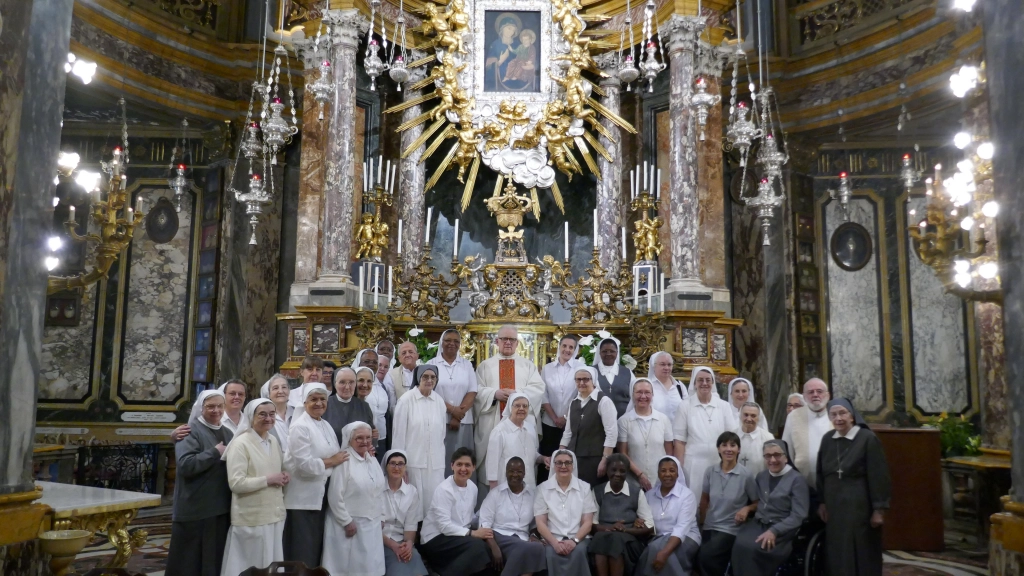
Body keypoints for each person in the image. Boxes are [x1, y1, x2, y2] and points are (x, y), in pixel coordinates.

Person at [817, 398, 892, 576]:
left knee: (861, 548)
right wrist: (822, 502)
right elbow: (820, 472)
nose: (838, 418)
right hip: (834, 505)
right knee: (838, 549)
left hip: (859, 505)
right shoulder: (828, 439)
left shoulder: (867, 438)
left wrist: (879, 509)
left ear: (852, 416)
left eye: (843, 413)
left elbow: (879, 474)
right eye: (833, 414)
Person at [474, 325, 546, 498]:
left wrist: (518, 396)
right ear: (497, 341)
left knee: (524, 465)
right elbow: (476, 391)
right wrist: (494, 394)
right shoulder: (485, 366)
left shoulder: (528, 366)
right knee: (492, 465)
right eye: (504, 339)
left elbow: (538, 389)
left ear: (517, 342)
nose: (507, 343)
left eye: (512, 340)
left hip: (522, 425)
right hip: (493, 422)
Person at [166, 390, 233, 576]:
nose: (216, 410)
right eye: (210, 406)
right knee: (189, 563)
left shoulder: (227, 432)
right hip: (195, 509)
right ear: (201, 408)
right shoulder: (189, 430)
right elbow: (186, 465)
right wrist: (214, 452)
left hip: (219, 507)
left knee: (213, 561)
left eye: (220, 406)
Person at [220, 399, 289, 576]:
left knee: (271, 566)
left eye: (272, 414)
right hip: (251, 518)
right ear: (251, 417)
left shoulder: (273, 440)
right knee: (249, 566)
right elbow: (236, 483)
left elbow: (274, 470)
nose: (268, 418)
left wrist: (283, 475)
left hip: (273, 515)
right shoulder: (240, 444)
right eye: (262, 414)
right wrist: (268, 479)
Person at [282, 384, 346, 568]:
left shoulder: (324, 424)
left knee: (316, 548)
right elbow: (304, 466)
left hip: (321, 494)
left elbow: (337, 454)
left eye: (322, 399)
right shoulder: (300, 427)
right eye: (314, 399)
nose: (319, 403)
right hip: (303, 498)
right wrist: (332, 461)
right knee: (301, 550)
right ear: (304, 402)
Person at [730, 439, 809, 576]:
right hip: (758, 524)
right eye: (768, 456)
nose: (772, 459)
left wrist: (774, 531)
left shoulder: (797, 480)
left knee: (754, 548)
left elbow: (799, 515)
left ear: (786, 457)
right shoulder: (761, 476)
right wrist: (747, 508)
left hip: (782, 530)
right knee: (739, 543)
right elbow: (758, 502)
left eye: (777, 455)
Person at [322, 421, 388, 576]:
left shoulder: (371, 459)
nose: (364, 441)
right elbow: (334, 496)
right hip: (349, 526)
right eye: (359, 438)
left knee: (369, 567)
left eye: (368, 437)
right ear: (349, 439)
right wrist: (346, 521)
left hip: (372, 524)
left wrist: (382, 516)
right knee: (348, 568)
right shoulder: (344, 461)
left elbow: (379, 490)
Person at [418, 448, 494, 576]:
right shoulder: (444, 489)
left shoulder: (473, 488)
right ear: (452, 466)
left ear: (474, 467)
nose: (463, 469)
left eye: (467, 465)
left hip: (457, 535)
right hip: (435, 538)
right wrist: (473, 533)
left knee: (484, 546)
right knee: (478, 547)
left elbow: (467, 518)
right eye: (459, 464)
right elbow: (444, 526)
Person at [696, 431, 759, 576]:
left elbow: (758, 502)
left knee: (706, 557)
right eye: (724, 445)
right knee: (698, 555)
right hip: (709, 526)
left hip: (731, 529)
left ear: (739, 449)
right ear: (718, 449)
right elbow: (704, 499)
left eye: (733, 445)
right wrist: (701, 523)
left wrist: (747, 508)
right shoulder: (710, 471)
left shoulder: (746, 475)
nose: (728, 449)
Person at [392, 365, 448, 518]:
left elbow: (442, 434)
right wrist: (400, 466)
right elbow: (398, 436)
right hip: (413, 463)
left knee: (434, 504)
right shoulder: (406, 400)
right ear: (418, 378)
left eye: (433, 377)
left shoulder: (439, 402)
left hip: (435, 463)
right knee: (413, 506)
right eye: (425, 377)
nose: (429, 380)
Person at [479, 456, 547, 576]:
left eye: (519, 471)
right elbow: (484, 523)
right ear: (506, 472)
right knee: (531, 549)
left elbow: (535, 523)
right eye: (511, 471)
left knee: (536, 548)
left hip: (522, 538)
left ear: (524, 473)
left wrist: (533, 535)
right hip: (499, 536)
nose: (515, 475)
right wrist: (494, 547)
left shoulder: (533, 495)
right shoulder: (496, 494)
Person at [673, 366, 738, 491]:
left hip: (719, 461)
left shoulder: (724, 406)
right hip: (693, 464)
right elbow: (680, 441)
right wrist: (679, 468)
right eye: (700, 380)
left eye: (708, 380)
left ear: (713, 383)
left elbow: (731, 436)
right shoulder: (685, 406)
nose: (704, 383)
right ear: (694, 383)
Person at [534, 449, 597, 576]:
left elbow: (588, 523)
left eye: (567, 463)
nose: (563, 466)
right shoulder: (542, 489)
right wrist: (555, 543)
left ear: (573, 465)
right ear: (553, 465)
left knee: (579, 552)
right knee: (551, 553)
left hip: (579, 538)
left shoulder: (584, 488)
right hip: (552, 539)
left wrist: (574, 541)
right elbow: (540, 523)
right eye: (559, 463)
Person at [591, 454, 654, 576]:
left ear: (627, 473)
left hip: (630, 541)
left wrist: (625, 530)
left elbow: (650, 525)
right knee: (601, 537)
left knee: (615, 539)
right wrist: (610, 528)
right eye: (613, 470)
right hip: (604, 537)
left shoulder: (636, 492)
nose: (618, 474)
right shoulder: (597, 491)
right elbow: (593, 523)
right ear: (607, 471)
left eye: (622, 471)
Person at [636, 456, 701, 576]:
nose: (667, 474)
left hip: (687, 537)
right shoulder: (649, 495)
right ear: (658, 473)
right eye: (663, 470)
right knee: (656, 547)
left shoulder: (687, 495)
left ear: (678, 474)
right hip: (658, 538)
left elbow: (682, 528)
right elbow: (645, 520)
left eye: (672, 470)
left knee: (656, 550)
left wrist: (665, 552)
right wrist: (639, 522)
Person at [429, 329, 479, 470]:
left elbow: (472, 391)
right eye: (448, 340)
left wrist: (457, 416)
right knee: (442, 460)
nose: (452, 344)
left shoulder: (467, 365)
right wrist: (452, 411)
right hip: (439, 419)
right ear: (441, 343)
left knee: (463, 459)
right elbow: (430, 392)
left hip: (464, 420)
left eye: (456, 341)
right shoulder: (432, 364)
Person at [560, 366, 618, 485]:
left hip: (594, 460)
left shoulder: (604, 401)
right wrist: (560, 455)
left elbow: (611, 433)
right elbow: (568, 432)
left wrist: (605, 459)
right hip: (574, 458)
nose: (581, 383)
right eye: (578, 379)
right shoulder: (574, 402)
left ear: (593, 380)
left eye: (586, 379)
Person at [617, 378, 674, 490]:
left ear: (653, 394)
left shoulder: (663, 419)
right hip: (634, 480)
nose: (643, 396)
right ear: (632, 394)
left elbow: (669, 452)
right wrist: (640, 475)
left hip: (660, 479)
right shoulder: (624, 421)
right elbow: (623, 453)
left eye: (647, 392)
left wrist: (665, 474)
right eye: (639, 392)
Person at [380, 450, 429, 576]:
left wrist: (408, 544)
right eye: (393, 463)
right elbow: (373, 525)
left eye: (401, 464)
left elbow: (411, 525)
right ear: (386, 466)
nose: (397, 467)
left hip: (401, 542)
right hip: (380, 541)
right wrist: (393, 546)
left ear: (405, 467)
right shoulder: (377, 488)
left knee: (417, 569)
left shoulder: (412, 492)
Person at [540, 336, 581, 483]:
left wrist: (565, 417)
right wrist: (555, 418)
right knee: (549, 460)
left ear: (575, 350)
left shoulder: (580, 369)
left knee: (568, 461)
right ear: (559, 346)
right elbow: (543, 395)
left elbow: (579, 396)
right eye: (564, 346)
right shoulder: (547, 369)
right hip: (549, 423)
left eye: (571, 347)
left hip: (571, 424)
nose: (567, 350)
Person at [486, 392, 546, 489]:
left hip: (528, 485)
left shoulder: (530, 428)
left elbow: (531, 455)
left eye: (525, 406)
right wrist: (494, 491)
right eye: (517, 405)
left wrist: (543, 459)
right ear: (510, 407)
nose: (521, 409)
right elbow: (492, 464)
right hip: (506, 487)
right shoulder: (499, 431)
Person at [782, 378, 833, 488]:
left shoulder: (836, 414)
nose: (815, 395)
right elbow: (787, 448)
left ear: (828, 395)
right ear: (804, 397)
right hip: (802, 481)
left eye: (819, 391)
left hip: (832, 481)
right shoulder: (794, 416)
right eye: (810, 392)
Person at [323, 366, 377, 445]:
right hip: (332, 454)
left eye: (351, 382)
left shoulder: (364, 406)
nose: (347, 387)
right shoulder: (324, 405)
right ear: (335, 384)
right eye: (342, 382)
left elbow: (371, 435)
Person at [642, 352, 688, 427]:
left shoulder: (679, 386)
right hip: (654, 433)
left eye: (669, 364)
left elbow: (687, 411)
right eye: (662, 364)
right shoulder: (647, 386)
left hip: (677, 434)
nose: (666, 368)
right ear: (654, 366)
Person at [593, 337, 634, 418]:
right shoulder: (591, 372)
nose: (608, 354)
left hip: (624, 419)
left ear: (617, 353)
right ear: (599, 353)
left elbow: (635, 395)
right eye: (604, 351)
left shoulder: (627, 372)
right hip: (597, 420)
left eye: (612, 351)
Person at [357, 365, 390, 457]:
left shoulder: (366, 405)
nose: (365, 385)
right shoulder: (350, 404)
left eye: (369, 381)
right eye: (361, 380)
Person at [737, 402, 775, 476]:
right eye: (746, 415)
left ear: (759, 418)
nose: (749, 419)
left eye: (753, 416)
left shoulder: (768, 438)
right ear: (740, 416)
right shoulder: (732, 435)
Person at [287, 356, 324, 425]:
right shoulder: (290, 395)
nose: (314, 373)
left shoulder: (328, 396)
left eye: (318, 370)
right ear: (301, 372)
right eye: (310, 369)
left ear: (322, 373)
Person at [261, 374, 292, 453]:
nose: (280, 391)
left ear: (289, 391)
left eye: (284, 387)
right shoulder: (263, 418)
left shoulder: (298, 413)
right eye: (275, 388)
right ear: (269, 394)